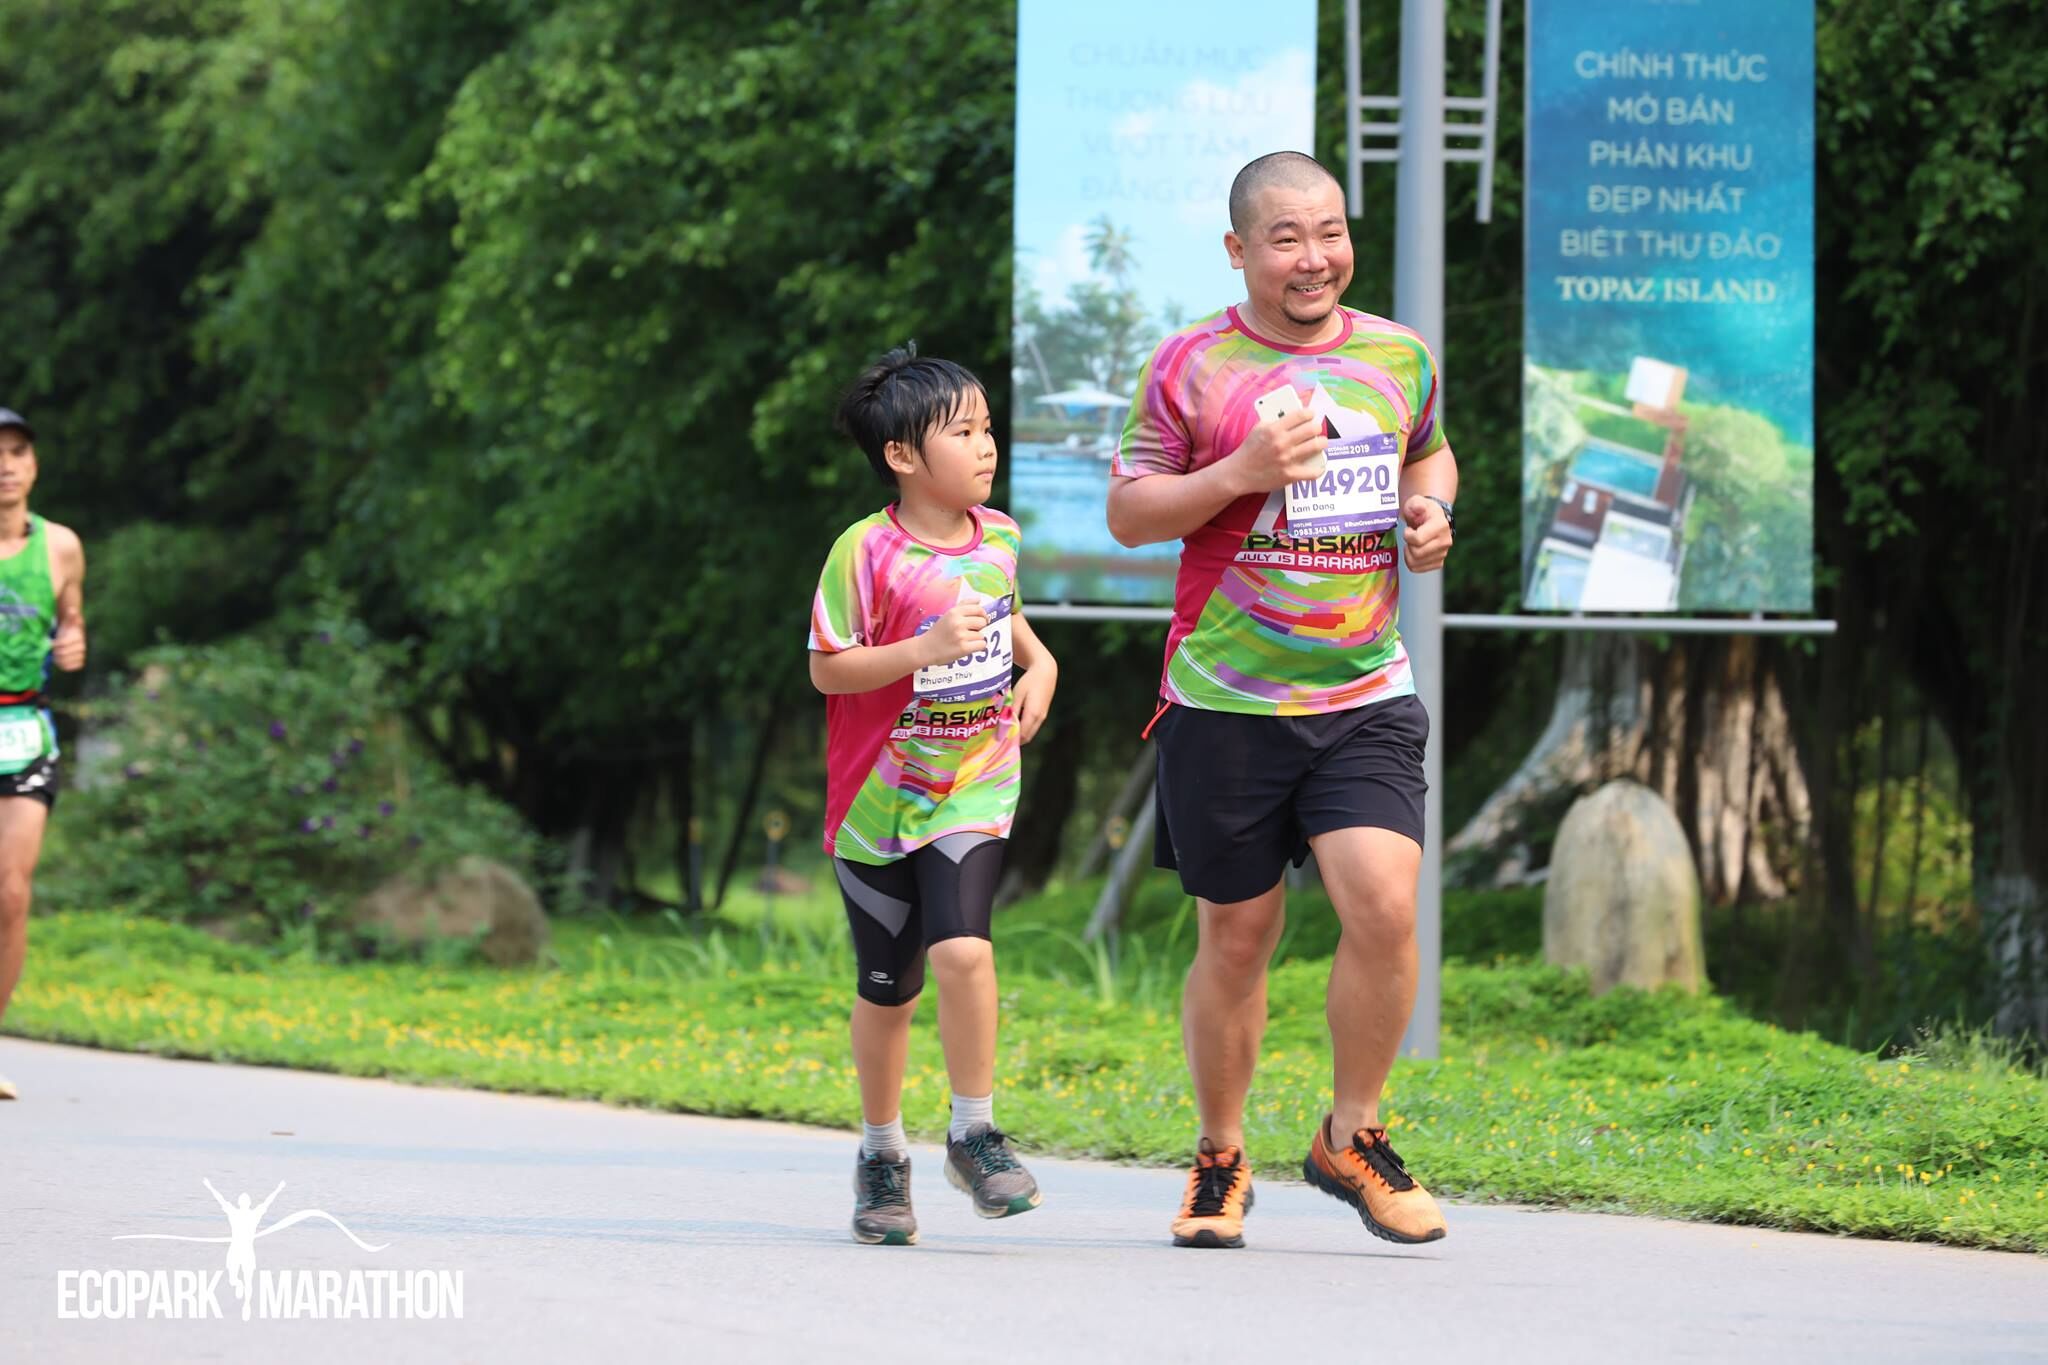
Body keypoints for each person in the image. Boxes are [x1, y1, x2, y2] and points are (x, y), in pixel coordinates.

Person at [1106, 153, 1459, 1248]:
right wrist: (1240, 471)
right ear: (1238, 251)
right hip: (1223, 697)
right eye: (1285, 238)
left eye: (1330, 232)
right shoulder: (1191, 365)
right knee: (1238, 934)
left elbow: (1431, 457)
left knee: (1385, 904)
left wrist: (1426, 514)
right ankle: (1218, 1158)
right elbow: (1128, 514)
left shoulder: (1398, 355)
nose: (1315, 258)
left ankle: (1349, 1137)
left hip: (1361, 688)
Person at [808, 344, 1060, 1245]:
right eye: (964, 431)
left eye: (988, 427)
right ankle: (883, 1154)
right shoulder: (864, 553)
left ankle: (973, 1131)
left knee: (965, 953)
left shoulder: (1000, 535)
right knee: (890, 989)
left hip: (973, 782)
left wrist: (1042, 663)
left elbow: (1008, 615)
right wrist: (920, 651)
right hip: (876, 804)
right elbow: (827, 671)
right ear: (903, 455)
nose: (987, 446)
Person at [0, 408, 88, 1102]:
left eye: (18, 451)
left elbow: (72, 620)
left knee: (10, 891)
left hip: (25, 728)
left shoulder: (60, 546)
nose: (5, 464)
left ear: (34, 464)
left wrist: (74, 642)